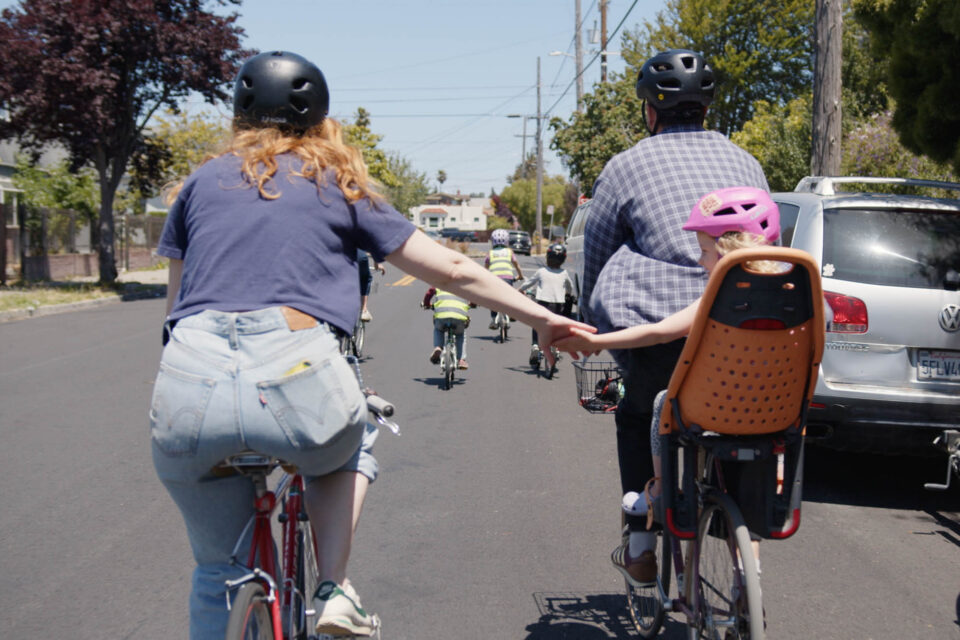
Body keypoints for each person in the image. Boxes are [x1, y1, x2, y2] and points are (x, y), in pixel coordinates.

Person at [151, 50, 594, 640]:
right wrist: (541, 318)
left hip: (191, 379)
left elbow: (175, 312)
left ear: (239, 113)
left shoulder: (199, 185)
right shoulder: (335, 181)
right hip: (295, 373)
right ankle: (334, 590)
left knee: (216, 573)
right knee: (353, 435)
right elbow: (453, 272)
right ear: (320, 119)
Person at [577, 49, 769, 587]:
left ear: (650, 111)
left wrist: (602, 328)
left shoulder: (626, 165)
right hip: (742, 333)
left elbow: (596, 255)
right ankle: (738, 535)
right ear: (706, 110)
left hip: (661, 333)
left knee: (640, 415)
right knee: (739, 427)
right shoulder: (747, 163)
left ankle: (640, 541)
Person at [559, 186, 781, 585]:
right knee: (746, 494)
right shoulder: (797, 291)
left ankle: (659, 491)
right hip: (774, 414)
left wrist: (595, 341)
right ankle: (749, 576)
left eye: (705, 252)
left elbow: (659, 333)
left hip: (712, 408)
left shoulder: (720, 295)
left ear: (729, 251)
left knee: (662, 403)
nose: (699, 261)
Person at [518, 243, 575, 366]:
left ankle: (535, 346)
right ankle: (557, 348)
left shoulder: (541, 271)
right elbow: (570, 287)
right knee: (557, 326)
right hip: (559, 305)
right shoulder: (564, 273)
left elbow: (529, 283)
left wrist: (520, 290)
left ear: (548, 257)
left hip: (543, 303)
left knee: (537, 324)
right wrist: (568, 294)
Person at [423, 286, 473, 369]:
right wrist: (473, 304)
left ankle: (438, 347)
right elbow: (474, 297)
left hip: (442, 317)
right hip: (458, 318)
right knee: (460, 335)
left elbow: (429, 293)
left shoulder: (438, 283)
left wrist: (426, 304)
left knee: (438, 330)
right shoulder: (464, 286)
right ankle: (461, 360)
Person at [485, 228, 524, 328]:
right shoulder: (509, 252)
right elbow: (516, 265)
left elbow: (485, 268)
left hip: (494, 279)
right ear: (507, 240)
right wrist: (520, 275)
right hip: (507, 278)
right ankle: (511, 314)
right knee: (510, 297)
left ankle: (494, 319)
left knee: (492, 299)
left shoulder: (490, 253)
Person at [357, 248, 384, 322]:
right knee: (366, 279)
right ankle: (364, 310)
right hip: (359, 256)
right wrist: (377, 263)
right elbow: (372, 246)